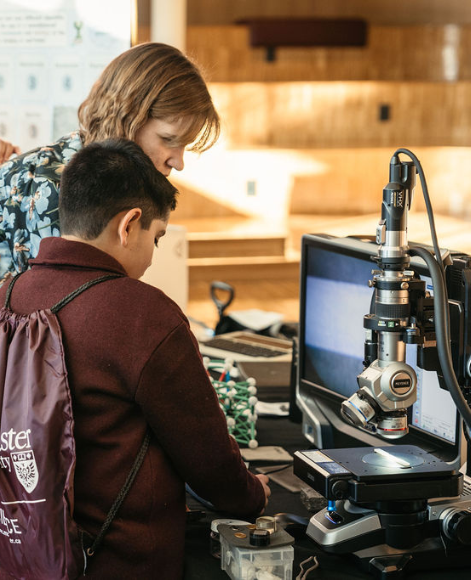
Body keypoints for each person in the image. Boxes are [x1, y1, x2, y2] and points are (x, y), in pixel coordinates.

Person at [3, 139, 269, 577]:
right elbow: (206, 457)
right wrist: (251, 496)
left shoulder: (8, 295)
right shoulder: (142, 314)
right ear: (129, 225)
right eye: (157, 239)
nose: (150, 259)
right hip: (114, 560)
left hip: (22, 552)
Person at [0, 42, 219, 280]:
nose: (178, 162)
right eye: (167, 139)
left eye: (184, 145)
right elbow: (62, 307)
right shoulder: (53, 188)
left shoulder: (109, 182)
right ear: (128, 115)